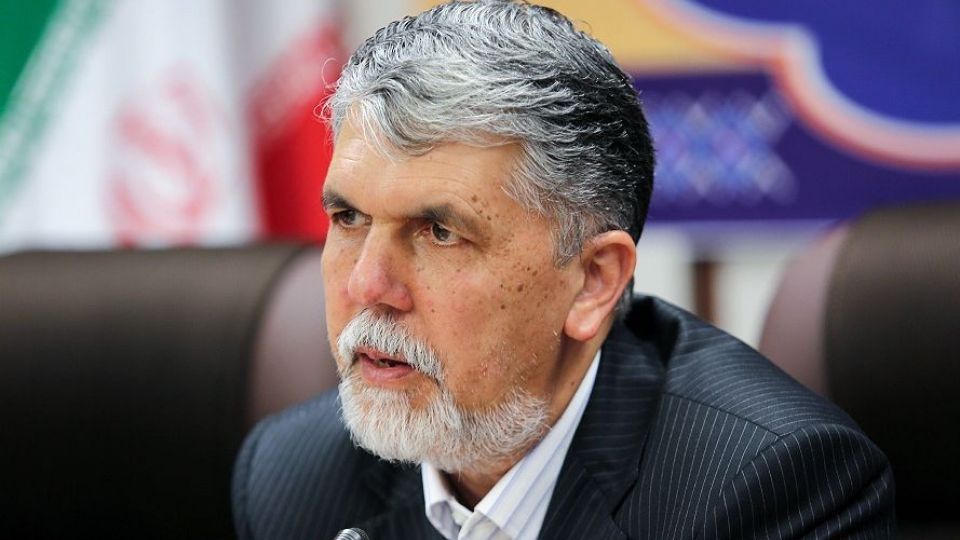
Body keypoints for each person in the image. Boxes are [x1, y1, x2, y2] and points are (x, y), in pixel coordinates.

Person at [232, 1, 895, 538]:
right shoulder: (293, 476)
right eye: (349, 218)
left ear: (593, 281)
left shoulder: (763, 488)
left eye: (439, 233)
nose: (365, 285)